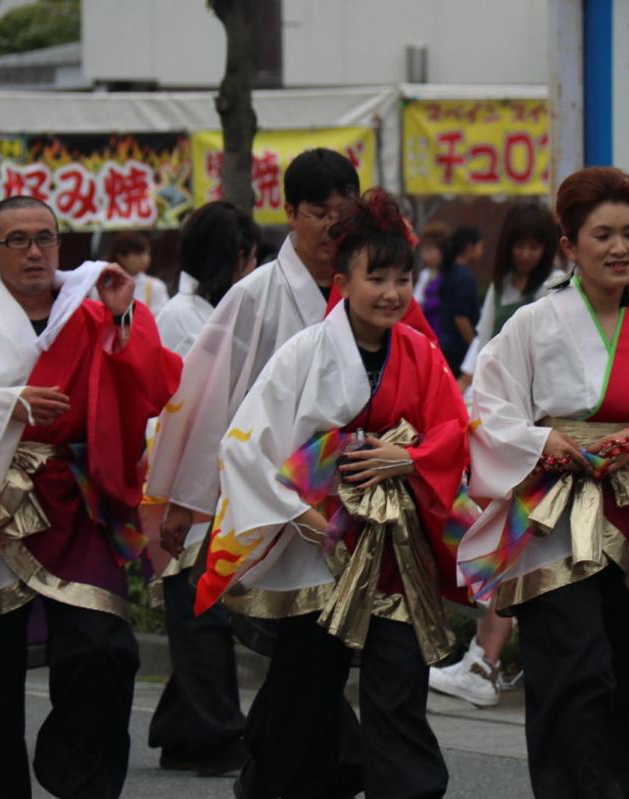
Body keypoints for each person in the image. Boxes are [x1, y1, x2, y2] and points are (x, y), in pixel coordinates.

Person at [0, 195, 181, 798]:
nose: (33, 251)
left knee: (105, 650)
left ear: (61, 245)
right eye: (17, 240)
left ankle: (79, 779)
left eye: (45, 238)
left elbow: (157, 388)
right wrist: (6, 404)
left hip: (76, 501)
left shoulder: (95, 313)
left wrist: (126, 317)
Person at [191, 188, 469, 798]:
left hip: (397, 550)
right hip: (320, 546)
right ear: (343, 281)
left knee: (399, 687)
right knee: (306, 693)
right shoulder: (305, 352)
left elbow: (453, 432)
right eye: (378, 277)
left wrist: (410, 456)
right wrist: (301, 513)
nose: (393, 292)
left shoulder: (422, 353)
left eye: (403, 278)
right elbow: (245, 444)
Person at [457, 167, 629, 797]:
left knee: (623, 676)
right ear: (569, 246)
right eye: (602, 235)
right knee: (572, 669)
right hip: (552, 516)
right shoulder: (532, 322)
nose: (620, 248)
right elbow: (485, 406)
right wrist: (541, 440)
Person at [149, 148, 433, 567]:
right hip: (276, 484)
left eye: (344, 211)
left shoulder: (384, 297)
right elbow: (211, 398)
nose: (333, 225)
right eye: (319, 213)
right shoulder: (253, 294)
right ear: (290, 213)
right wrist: (186, 499)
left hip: (366, 485)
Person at [145, 201, 259, 776]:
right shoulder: (181, 317)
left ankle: (180, 728)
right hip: (189, 476)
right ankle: (216, 735)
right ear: (231, 257)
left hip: (229, 471)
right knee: (200, 607)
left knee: (202, 604)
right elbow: (176, 410)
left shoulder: (228, 311)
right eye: (246, 255)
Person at [436, 226, 483, 377]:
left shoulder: (449, 271)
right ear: (469, 247)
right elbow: (461, 317)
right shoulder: (464, 277)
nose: (481, 251)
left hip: (445, 341)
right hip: (459, 348)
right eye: (480, 246)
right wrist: (473, 347)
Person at [109, 231, 169, 315]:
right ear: (121, 257)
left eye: (147, 253)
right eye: (138, 254)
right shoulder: (106, 284)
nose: (145, 258)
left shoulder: (156, 286)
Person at [414, 221, 449, 325]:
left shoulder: (450, 275)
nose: (424, 255)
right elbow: (417, 301)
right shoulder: (425, 274)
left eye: (428, 250)